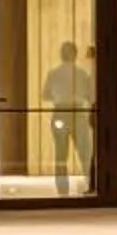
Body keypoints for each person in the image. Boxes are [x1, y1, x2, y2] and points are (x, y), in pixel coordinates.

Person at [39, 39, 92, 194]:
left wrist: (58, 96)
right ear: (75, 54)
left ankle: (62, 189)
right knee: (84, 152)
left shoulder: (53, 73)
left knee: (61, 154)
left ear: (61, 54)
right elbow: (89, 95)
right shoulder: (82, 74)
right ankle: (91, 183)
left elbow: (45, 95)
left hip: (60, 112)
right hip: (78, 113)